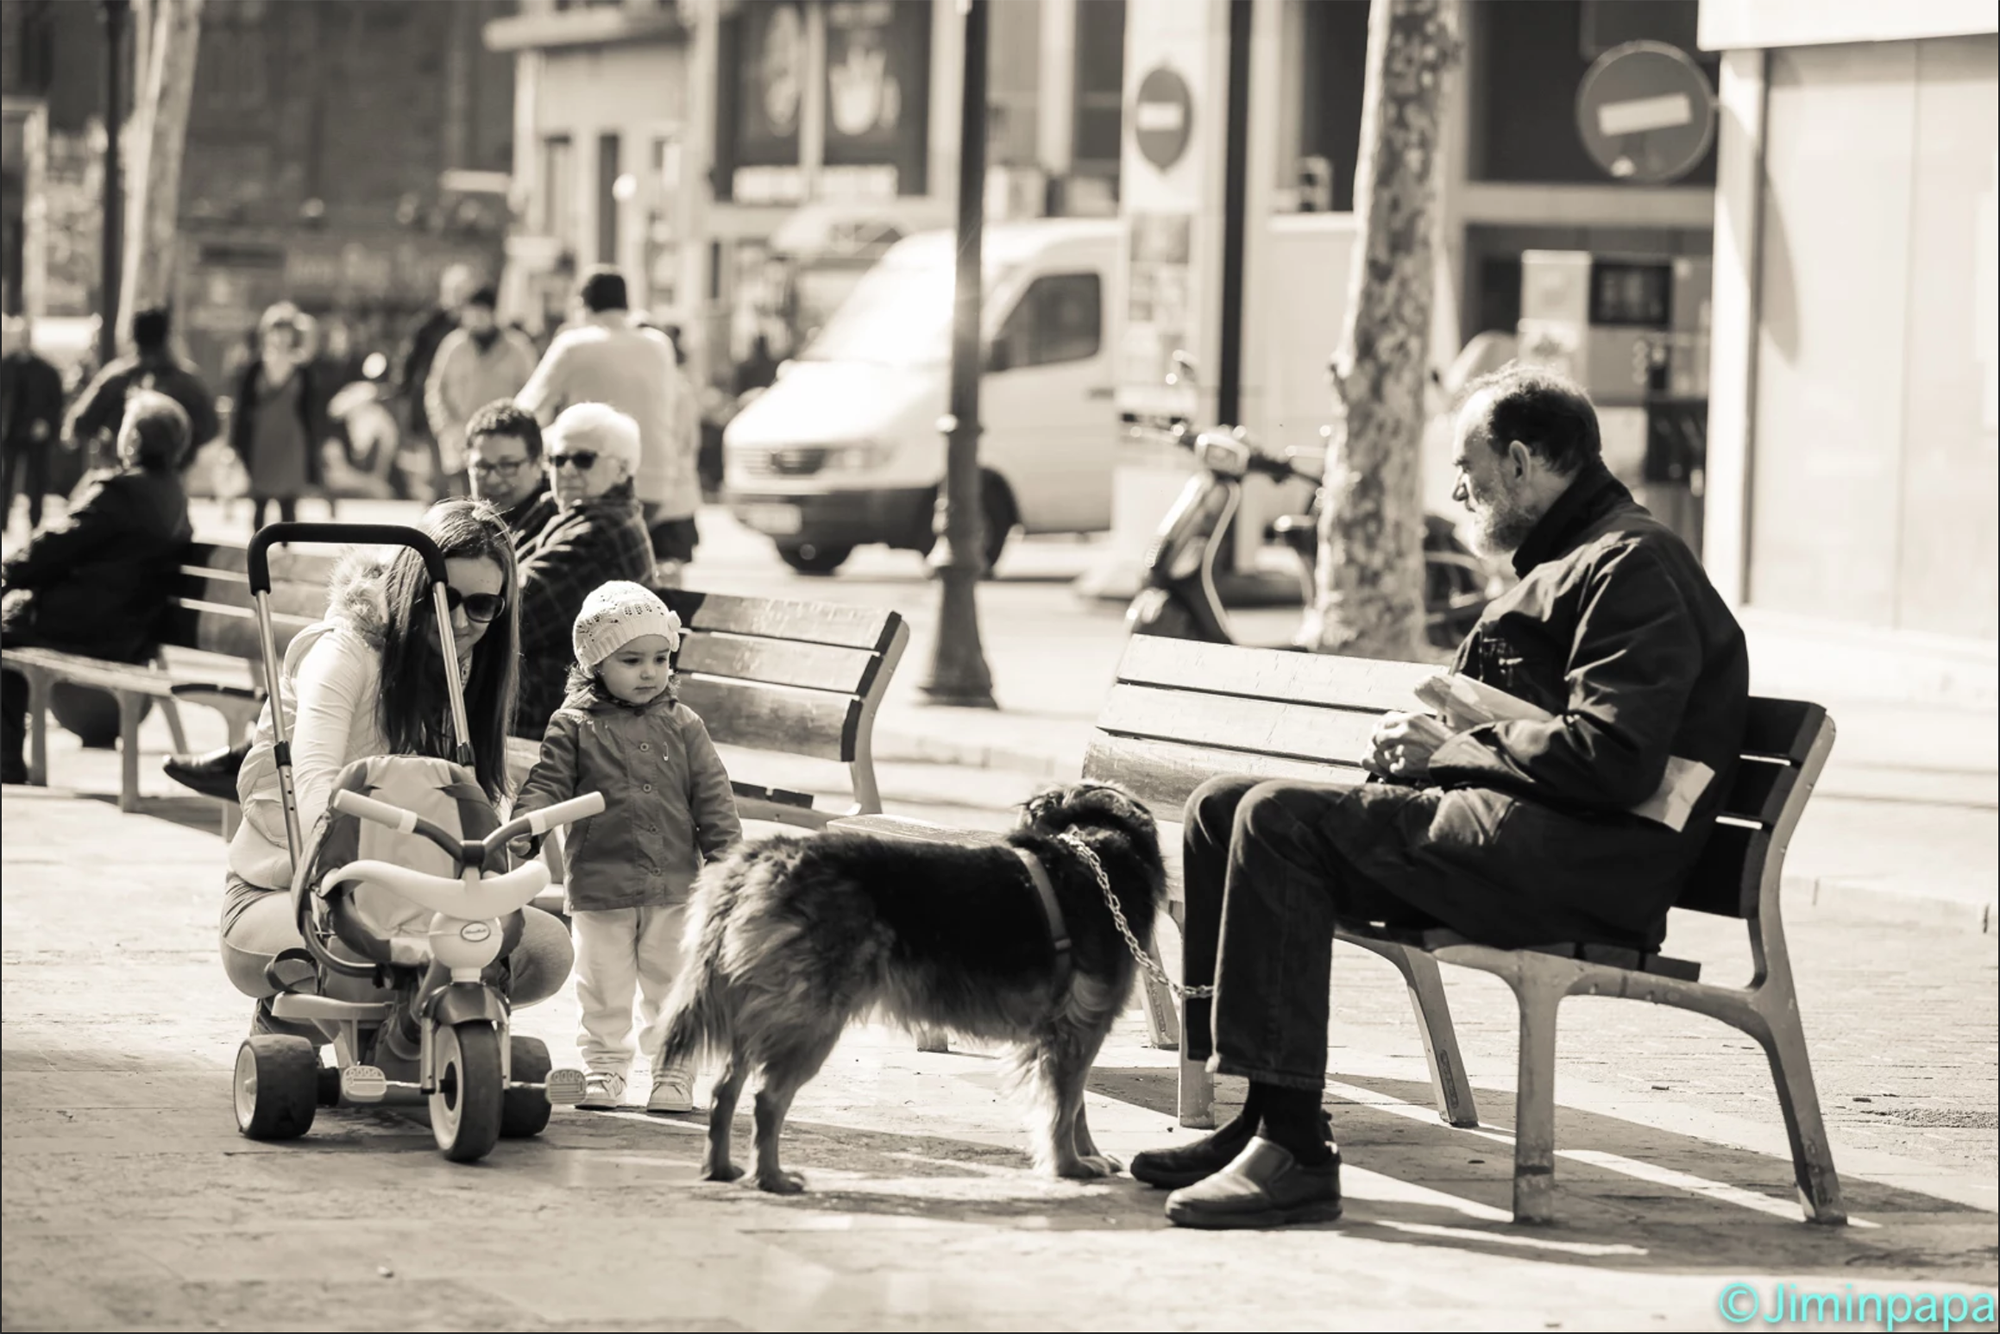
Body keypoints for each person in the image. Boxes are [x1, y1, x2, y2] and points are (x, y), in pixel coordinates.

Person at [1130, 365, 1750, 1229]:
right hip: (1522, 833)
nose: (1457, 487)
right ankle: (1253, 1111)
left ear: (1524, 462)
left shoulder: (1632, 564)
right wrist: (1426, 750)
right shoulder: (1573, 558)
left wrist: (1454, 744)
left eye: (1470, 464)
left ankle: (1297, 1153)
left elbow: (1616, 758)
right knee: (1223, 805)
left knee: (1276, 821)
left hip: (1588, 861)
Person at [217, 500, 574, 1027]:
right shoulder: (346, 652)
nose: (458, 621)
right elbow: (315, 778)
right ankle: (292, 1019)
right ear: (411, 585)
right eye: (443, 598)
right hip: (291, 887)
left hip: (415, 896)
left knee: (542, 948)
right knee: (369, 955)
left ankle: (419, 1033)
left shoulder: (467, 668)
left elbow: (470, 810)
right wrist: (346, 883)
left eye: (480, 606)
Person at [513, 581, 742, 1111]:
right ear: (595, 664)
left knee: (670, 982)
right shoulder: (572, 724)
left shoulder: (684, 724)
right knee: (602, 985)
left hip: (675, 886)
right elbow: (547, 783)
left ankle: (673, 1073)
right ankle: (605, 1070)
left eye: (661, 659)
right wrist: (528, 826)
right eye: (632, 660)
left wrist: (728, 866)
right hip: (600, 883)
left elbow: (712, 797)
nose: (650, 672)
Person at [2, 392, 195, 784]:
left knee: (6, 633)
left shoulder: (119, 492)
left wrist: (11, 571)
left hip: (93, 628)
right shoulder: (175, 498)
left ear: (133, 441)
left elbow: (54, 546)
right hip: (133, 630)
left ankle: (5, 761)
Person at [516, 268, 701, 580]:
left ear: (582, 305)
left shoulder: (573, 344)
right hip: (657, 484)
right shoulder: (659, 344)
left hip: (595, 480)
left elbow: (525, 409)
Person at [510, 403, 655, 737]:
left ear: (621, 470)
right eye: (558, 459)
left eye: (584, 459)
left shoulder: (600, 534)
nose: (568, 470)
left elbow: (512, 611)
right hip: (548, 698)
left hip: (561, 715)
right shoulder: (574, 514)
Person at [62, 306, 221, 474]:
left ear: (133, 337)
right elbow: (211, 428)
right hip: (171, 479)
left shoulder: (117, 378)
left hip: (123, 477)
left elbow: (80, 425)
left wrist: (109, 439)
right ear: (168, 337)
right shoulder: (188, 384)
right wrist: (184, 448)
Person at [424, 286, 538, 496]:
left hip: (503, 442)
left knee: (501, 501)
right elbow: (436, 389)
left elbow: (533, 392)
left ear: (494, 313)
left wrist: (521, 432)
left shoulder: (517, 348)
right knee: (461, 503)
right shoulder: (453, 346)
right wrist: (444, 427)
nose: (475, 319)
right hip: (460, 438)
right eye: (471, 313)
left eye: (481, 313)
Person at [231, 303, 328, 530]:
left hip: (291, 439)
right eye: (276, 328)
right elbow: (242, 407)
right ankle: (257, 553)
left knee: (289, 502)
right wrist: (235, 444)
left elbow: (310, 412)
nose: (280, 335)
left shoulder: (303, 369)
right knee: (259, 500)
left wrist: (315, 449)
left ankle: (288, 553)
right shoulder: (254, 367)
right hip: (261, 439)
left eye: (285, 329)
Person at [396, 264, 477, 499]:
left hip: (469, 405)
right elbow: (410, 362)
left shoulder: (476, 326)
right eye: (456, 291)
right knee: (442, 471)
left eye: (465, 291)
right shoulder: (429, 325)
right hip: (436, 405)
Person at [1, 315, 66, 532]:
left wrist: (47, 423)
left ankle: (35, 521)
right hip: (9, 431)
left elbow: (56, 401)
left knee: (36, 479)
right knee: (5, 477)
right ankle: (2, 521)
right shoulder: (5, 366)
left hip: (34, 432)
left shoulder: (45, 370)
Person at [463, 400, 557, 538]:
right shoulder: (461, 525)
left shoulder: (560, 525)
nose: (492, 479)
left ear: (537, 464)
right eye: (482, 466)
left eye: (507, 465)